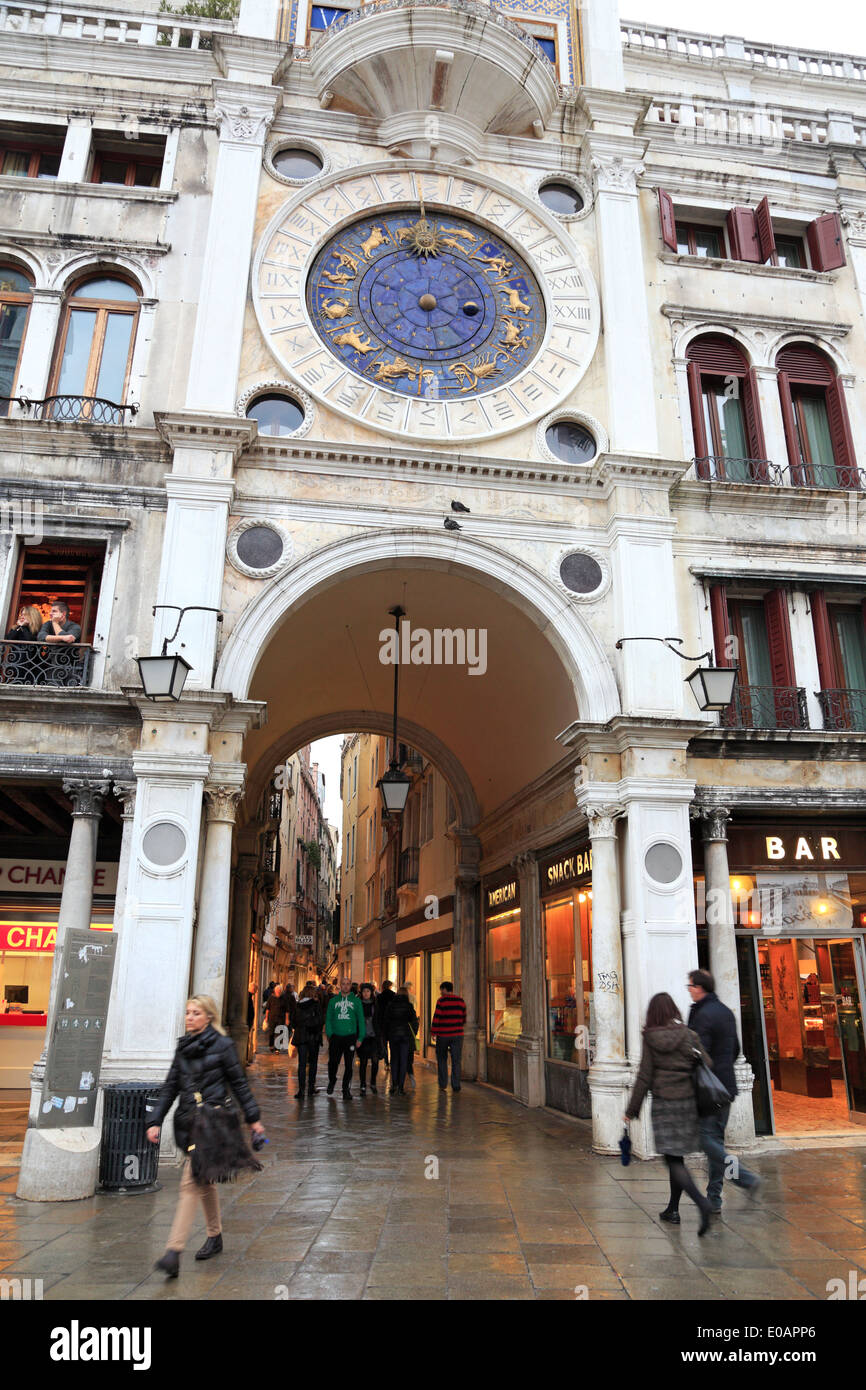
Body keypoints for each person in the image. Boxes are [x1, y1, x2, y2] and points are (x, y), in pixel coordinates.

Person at [146, 994, 264, 1278]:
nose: (189, 1017)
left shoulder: (223, 1046)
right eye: (187, 1012)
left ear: (209, 1016)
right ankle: (215, 1235)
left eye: (196, 1013)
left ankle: (174, 1252)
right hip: (188, 1124)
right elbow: (170, 1086)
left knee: (190, 1183)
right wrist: (155, 1120)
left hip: (213, 1125)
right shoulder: (183, 1046)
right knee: (204, 1181)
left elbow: (239, 1084)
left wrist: (254, 1120)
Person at [624, 991, 714, 1236]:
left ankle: (701, 1203)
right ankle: (672, 1209)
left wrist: (631, 1110)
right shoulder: (688, 1035)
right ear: (673, 1009)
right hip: (687, 1103)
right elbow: (708, 1063)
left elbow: (644, 1076)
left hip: (664, 1103)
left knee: (672, 1159)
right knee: (677, 1157)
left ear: (653, 1013)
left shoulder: (650, 1038)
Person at [687, 968, 761, 1213]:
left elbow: (698, 1053)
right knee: (715, 1142)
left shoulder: (703, 1014)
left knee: (706, 1140)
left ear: (699, 988)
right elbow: (736, 1048)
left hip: (709, 1089)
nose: (688, 990)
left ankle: (744, 1178)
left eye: (690, 986)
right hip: (726, 1087)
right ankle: (715, 1199)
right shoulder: (726, 1013)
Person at [325, 977, 365, 1098]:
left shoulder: (356, 1002)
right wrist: (330, 1034)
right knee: (332, 1063)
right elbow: (328, 1019)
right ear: (340, 986)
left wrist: (360, 1038)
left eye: (348, 984)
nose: (346, 986)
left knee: (349, 1065)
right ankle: (332, 1080)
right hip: (336, 1037)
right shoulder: (333, 1001)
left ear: (350, 986)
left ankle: (345, 1089)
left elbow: (361, 1020)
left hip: (350, 1037)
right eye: (344, 984)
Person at [430, 980, 466, 1092]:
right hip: (457, 1034)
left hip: (443, 1034)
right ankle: (456, 1085)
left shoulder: (441, 1001)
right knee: (456, 1060)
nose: (441, 992)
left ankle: (443, 1084)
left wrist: (433, 1032)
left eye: (441, 990)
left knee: (442, 1059)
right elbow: (464, 1018)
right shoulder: (461, 1001)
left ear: (445, 989)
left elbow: (437, 1018)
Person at [292, 981, 324, 1098]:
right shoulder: (316, 1005)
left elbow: (293, 1022)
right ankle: (311, 1087)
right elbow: (320, 1020)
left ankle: (301, 1090)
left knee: (301, 1064)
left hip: (301, 1037)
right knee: (313, 1063)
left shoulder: (298, 1005)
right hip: (313, 1037)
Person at [386, 985, 418, 1096]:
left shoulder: (391, 1005)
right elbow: (413, 1020)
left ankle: (394, 1085)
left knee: (394, 1060)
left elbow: (387, 1020)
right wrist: (413, 1033)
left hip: (393, 1035)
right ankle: (401, 1087)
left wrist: (388, 1033)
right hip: (405, 1036)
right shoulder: (409, 1006)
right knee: (404, 1061)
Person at [3, 604, 41, 683]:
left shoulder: (38, 630)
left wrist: (23, 627)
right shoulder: (17, 628)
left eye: (25, 615)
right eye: (21, 614)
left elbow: (29, 640)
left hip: (32, 664)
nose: (22, 617)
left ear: (32, 616)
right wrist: (19, 627)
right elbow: (8, 639)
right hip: (17, 661)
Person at [357, 982, 381, 1094]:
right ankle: (362, 1084)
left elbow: (379, 1019)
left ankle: (373, 1082)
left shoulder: (375, 1004)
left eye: (368, 991)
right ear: (361, 993)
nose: (366, 993)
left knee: (375, 1061)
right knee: (363, 1061)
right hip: (362, 1037)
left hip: (373, 1036)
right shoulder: (358, 1004)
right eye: (364, 991)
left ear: (371, 992)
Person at [375, 980, 395, 1070]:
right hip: (391, 1023)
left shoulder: (379, 997)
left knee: (384, 1043)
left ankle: (387, 1063)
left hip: (382, 1023)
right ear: (390, 986)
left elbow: (377, 1011)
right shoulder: (394, 995)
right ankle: (393, 1062)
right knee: (392, 1044)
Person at [266, 984, 287, 1052]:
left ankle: (277, 1048)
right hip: (272, 1017)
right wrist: (266, 1018)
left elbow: (287, 1010)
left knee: (280, 1032)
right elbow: (267, 1009)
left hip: (281, 1018)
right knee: (271, 1032)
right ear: (275, 991)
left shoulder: (284, 998)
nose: (278, 992)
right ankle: (271, 1045)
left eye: (279, 991)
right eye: (277, 991)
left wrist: (287, 1019)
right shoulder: (271, 998)